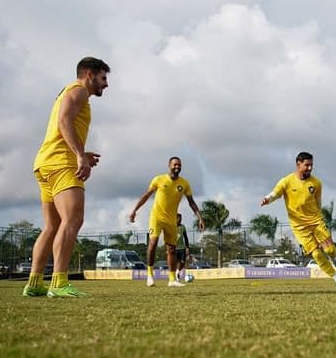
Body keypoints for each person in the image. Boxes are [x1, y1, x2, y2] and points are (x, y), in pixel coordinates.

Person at [23, 57, 110, 298]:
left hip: (45, 163)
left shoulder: (71, 92)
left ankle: (34, 282)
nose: (106, 84)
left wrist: (83, 152)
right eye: (103, 78)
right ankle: (59, 283)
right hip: (61, 163)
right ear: (89, 74)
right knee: (73, 219)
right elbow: (64, 121)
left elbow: (63, 125)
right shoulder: (79, 90)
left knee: (51, 226)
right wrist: (80, 156)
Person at [261, 152, 336, 290]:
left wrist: (320, 219)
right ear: (298, 164)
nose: (310, 168)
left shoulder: (316, 183)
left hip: (316, 221)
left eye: (312, 165)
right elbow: (275, 193)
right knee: (317, 254)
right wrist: (267, 199)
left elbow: (318, 202)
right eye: (307, 165)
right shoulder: (286, 181)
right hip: (299, 227)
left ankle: (334, 258)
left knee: (330, 249)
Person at [129, 157, 205, 287]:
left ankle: (172, 280)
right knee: (152, 243)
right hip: (156, 218)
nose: (177, 167)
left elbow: (191, 202)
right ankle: (150, 276)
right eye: (175, 164)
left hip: (171, 220)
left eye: (179, 165)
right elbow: (146, 195)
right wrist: (135, 210)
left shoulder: (184, 183)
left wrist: (200, 217)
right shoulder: (158, 179)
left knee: (171, 250)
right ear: (169, 165)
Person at [175, 213, 190, 281]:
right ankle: (175, 275)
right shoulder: (171, 226)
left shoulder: (183, 227)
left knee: (182, 262)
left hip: (181, 248)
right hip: (174, 248)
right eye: (178, 218)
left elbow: (186, 238)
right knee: (176, 262)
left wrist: (187, 247)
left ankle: (177, 271)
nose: (180, 220)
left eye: (181, 219)